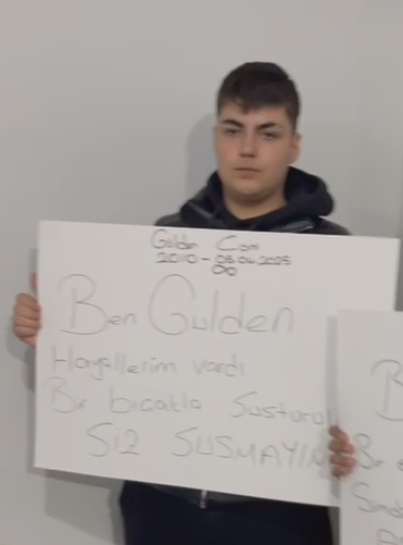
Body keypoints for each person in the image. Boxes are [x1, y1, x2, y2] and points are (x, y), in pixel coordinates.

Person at [13, 62, 349, 545]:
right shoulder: (164, 240)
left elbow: (361, 392)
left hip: (281, 514)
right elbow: (121, 359)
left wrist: (356, 442)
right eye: (233, 129)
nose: (248, 148)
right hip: (160, 507)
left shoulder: (338, 254)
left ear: (294, 145)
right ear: (216, 138)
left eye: (268, 133)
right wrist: (54, 328)